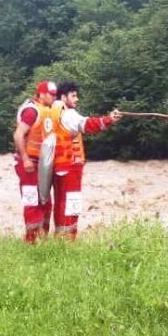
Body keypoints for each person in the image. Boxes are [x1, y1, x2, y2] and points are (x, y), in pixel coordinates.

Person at [50, 81, 121, 239]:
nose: (77, 99)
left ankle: (60, 237)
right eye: (73, 96)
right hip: (70, 166)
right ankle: (68, 240)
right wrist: (108, 120)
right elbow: (87, 125)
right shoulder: (68, 114)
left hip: (58, 166)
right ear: (63, 97)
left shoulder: (52, 112)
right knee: (72, 204)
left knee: (61, 203)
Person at [12, 80, 58, 243]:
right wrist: (25, 159)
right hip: (29, 163)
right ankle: (31, 240)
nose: (54, 97)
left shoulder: (47, 110)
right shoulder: (32, 111)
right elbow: (18, 135)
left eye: (55, 95)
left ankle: (43, 238)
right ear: (42, 94)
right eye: (51, 95)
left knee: (45, 201)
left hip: (42, 164)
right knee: (33, 201)